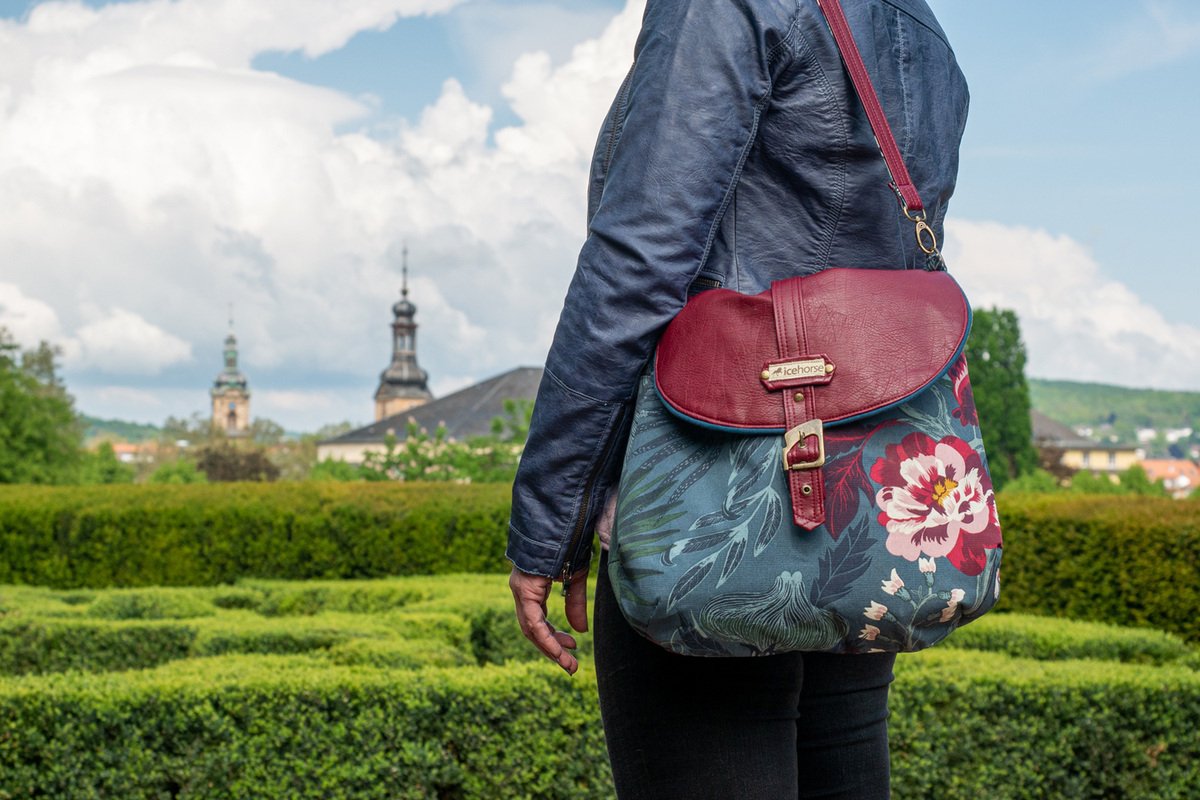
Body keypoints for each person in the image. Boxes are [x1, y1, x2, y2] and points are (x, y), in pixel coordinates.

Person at [507, 0, 969, 796]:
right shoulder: (920, 24)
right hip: (866, 498)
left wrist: (553, 519)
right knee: (844, 749)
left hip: (712, 488)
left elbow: (638, 261)